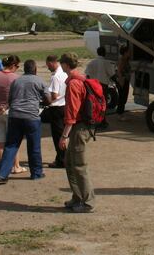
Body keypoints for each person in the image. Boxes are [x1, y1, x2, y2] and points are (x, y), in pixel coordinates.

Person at [0, 59, 51, 183]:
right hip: (31, 117)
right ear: (35, 69)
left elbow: (10, 100)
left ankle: (2, 174)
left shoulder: (16, 81)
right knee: (34, 146)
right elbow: (48, 99)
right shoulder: (39, 81)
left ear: (24, 69)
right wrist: (41, 102)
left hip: (15, 116)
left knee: (11, 145)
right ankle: (36, 173)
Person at [59, 52, 95, 213]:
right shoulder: (79, 79)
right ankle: (77, 197)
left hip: (79, 128)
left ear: (65, 65)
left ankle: (88, 202)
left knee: (79, 165)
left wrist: (64, 135)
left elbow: (72, 113)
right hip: (81, 127)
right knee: (69, 161)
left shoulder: (74, 84)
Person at [0, 55, 25, 174]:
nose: (17, 68)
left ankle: (2, 167)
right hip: (10, 111)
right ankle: (16, 166)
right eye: (17, 66)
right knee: (13, 141)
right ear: (13, 65)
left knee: (0, 142)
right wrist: (6, 106)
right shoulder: (15, 78)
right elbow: (17, 96)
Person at [45, 54, 68, 168]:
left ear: (52, 63)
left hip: (56, 108)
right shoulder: (64, 73)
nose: (48, 67)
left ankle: (61, 159)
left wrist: (45, 101)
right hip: (65, 106)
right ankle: (64, 157)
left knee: (57, 136)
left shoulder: (55, 77)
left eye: (48, 65)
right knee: (63, 134)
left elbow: (54, 95)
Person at [114, 45, 132, 120]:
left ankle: (120, 112)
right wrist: (121, 81)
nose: (130, 53)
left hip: (125, 79)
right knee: (122, 97)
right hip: (122, 80)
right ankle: (120, 114)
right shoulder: (122, 60)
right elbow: (119, 71)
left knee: (124, 96)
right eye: (128, 52)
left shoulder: (126, 59)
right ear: (125, 52)